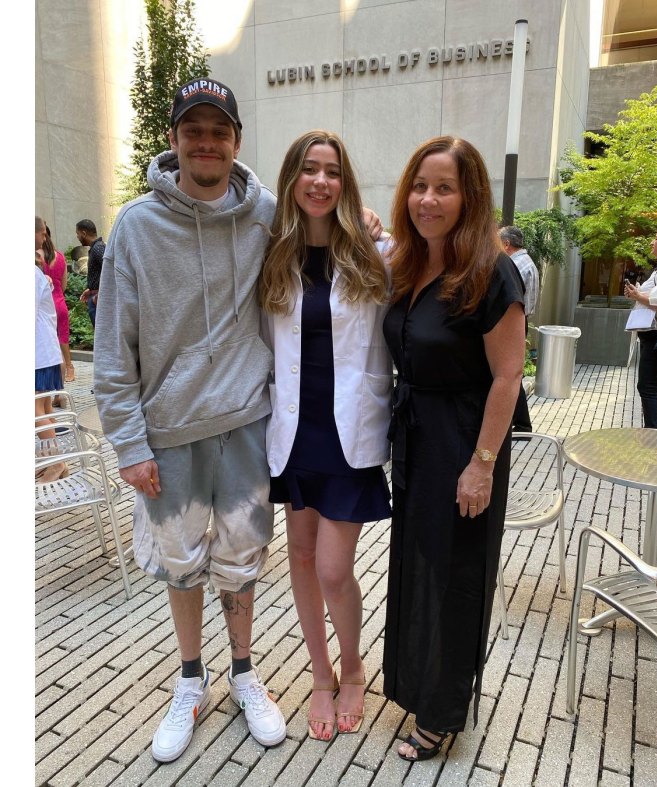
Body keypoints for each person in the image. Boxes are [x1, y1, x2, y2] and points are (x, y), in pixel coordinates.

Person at [93, 77, 288, 763]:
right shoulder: (135, 227)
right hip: (168, 437)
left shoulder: (266, 214)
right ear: (175, 140)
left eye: (219, 130)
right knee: (183, 566)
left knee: (241, 562)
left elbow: (328, 232)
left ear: (235, 141)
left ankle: (243, 672)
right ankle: (190, 681)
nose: (207, 142)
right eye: (193, 130)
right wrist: (127, 443)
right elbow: (114, 347)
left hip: (245, 427)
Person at [381, 136, 525, 761]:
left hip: (464, 444)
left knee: (457, 576)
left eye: (443, 187)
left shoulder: (492, 273)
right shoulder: (410, 266)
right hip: (415, 439)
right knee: (417, 569)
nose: (427, 199)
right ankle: (420, 685)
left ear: (470, 197)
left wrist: (482, 465)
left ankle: (443, 714)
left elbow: (508, 375)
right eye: (419, 185)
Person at [260, 130, 392, 741]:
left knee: (336, 571)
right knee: (303, 560)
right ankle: (319, 674)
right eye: (308, 170)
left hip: (349, 436)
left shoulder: (372, 254)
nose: (319, 181)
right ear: (291, 180)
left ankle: (356, 665)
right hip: (292, 433)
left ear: (345, 183)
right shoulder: (272, 255)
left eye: (331, 171)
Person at [624, 226, 657, 428]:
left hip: (656, 332)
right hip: (654, 332)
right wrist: (637, 293)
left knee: (647, 386)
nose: (652, 242)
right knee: (655, 385)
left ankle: (656, 436)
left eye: (656, 239)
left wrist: (637, 295)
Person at [499, 225, 538, 433]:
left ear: (506, 244)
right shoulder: (523, 262)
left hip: (510, 324)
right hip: (518, 323)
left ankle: (522, 423)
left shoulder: (514, 266)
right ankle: (521, 422)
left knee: (509, 374)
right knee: (512, 373)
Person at [35, 248, 67, 483]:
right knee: (43, 408)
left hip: (39, 354)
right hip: (42, 353)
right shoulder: (36, 274)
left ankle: (55, 463)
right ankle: (50, 460)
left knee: (35, 411)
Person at [41, 223, 76, 384]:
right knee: (63, 338)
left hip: (44, 305)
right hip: (59, 302)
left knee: (50, 343)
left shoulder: (35, 256)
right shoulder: (60, 256)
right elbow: (63, 285)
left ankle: (53, 381)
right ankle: (70, 367)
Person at [76, 219, 105, 326]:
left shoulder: (98, 248)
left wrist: (98, 296)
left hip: (98, 300)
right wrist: (90, 289)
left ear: (84, 233)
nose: (77, 237)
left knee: (102, 338)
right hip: (95, 298)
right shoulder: (97, 248)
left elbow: (111, 272)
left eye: (78, 234)